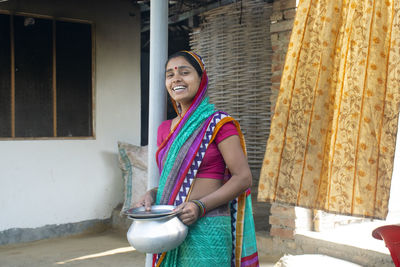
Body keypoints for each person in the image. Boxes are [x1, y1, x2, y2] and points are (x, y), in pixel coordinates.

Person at [136, 51, 259, 267]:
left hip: (208, 226)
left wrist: (200, 206)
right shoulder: (165, 129)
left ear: (202, 80)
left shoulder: (219, 124)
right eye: (170, 75)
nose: (176, 79)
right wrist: (151, 194)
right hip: (169, 226)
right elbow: (172, 182)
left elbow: (243, 178)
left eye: (185, 72)